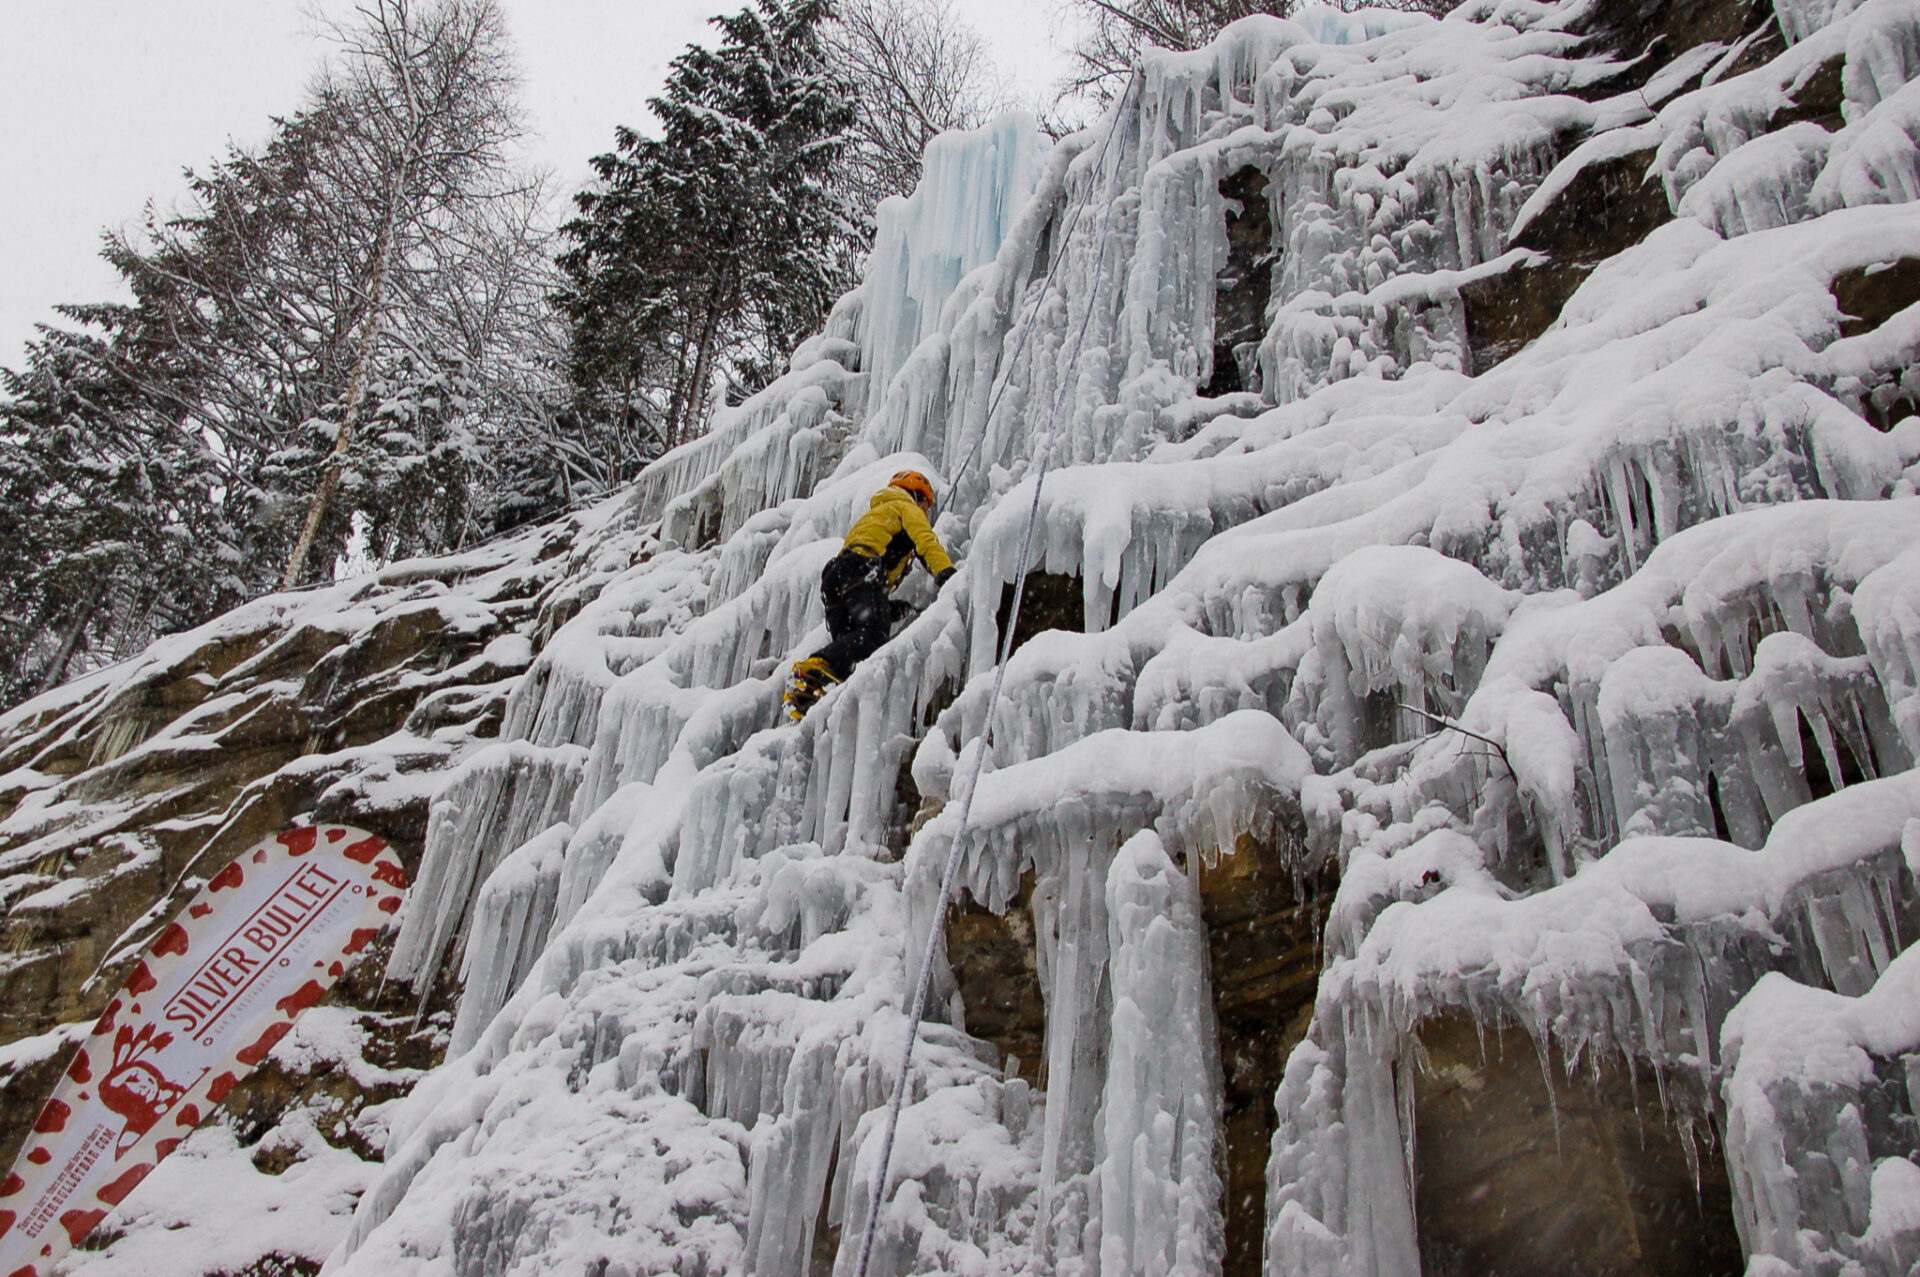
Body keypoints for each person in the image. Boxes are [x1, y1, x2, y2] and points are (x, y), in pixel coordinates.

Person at [786, 469, 956, 720]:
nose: (925, 512)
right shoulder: (904, 507)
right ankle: (816, 666)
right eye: (925, 505)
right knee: (873, 635)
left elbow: (864, 590)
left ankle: (810, 691)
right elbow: (925, 541)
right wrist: (947, 575)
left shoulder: (877, 514)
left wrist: (889, 608)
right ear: (916, 495)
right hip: (862, 568)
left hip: (836, 578)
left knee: (851, 647)